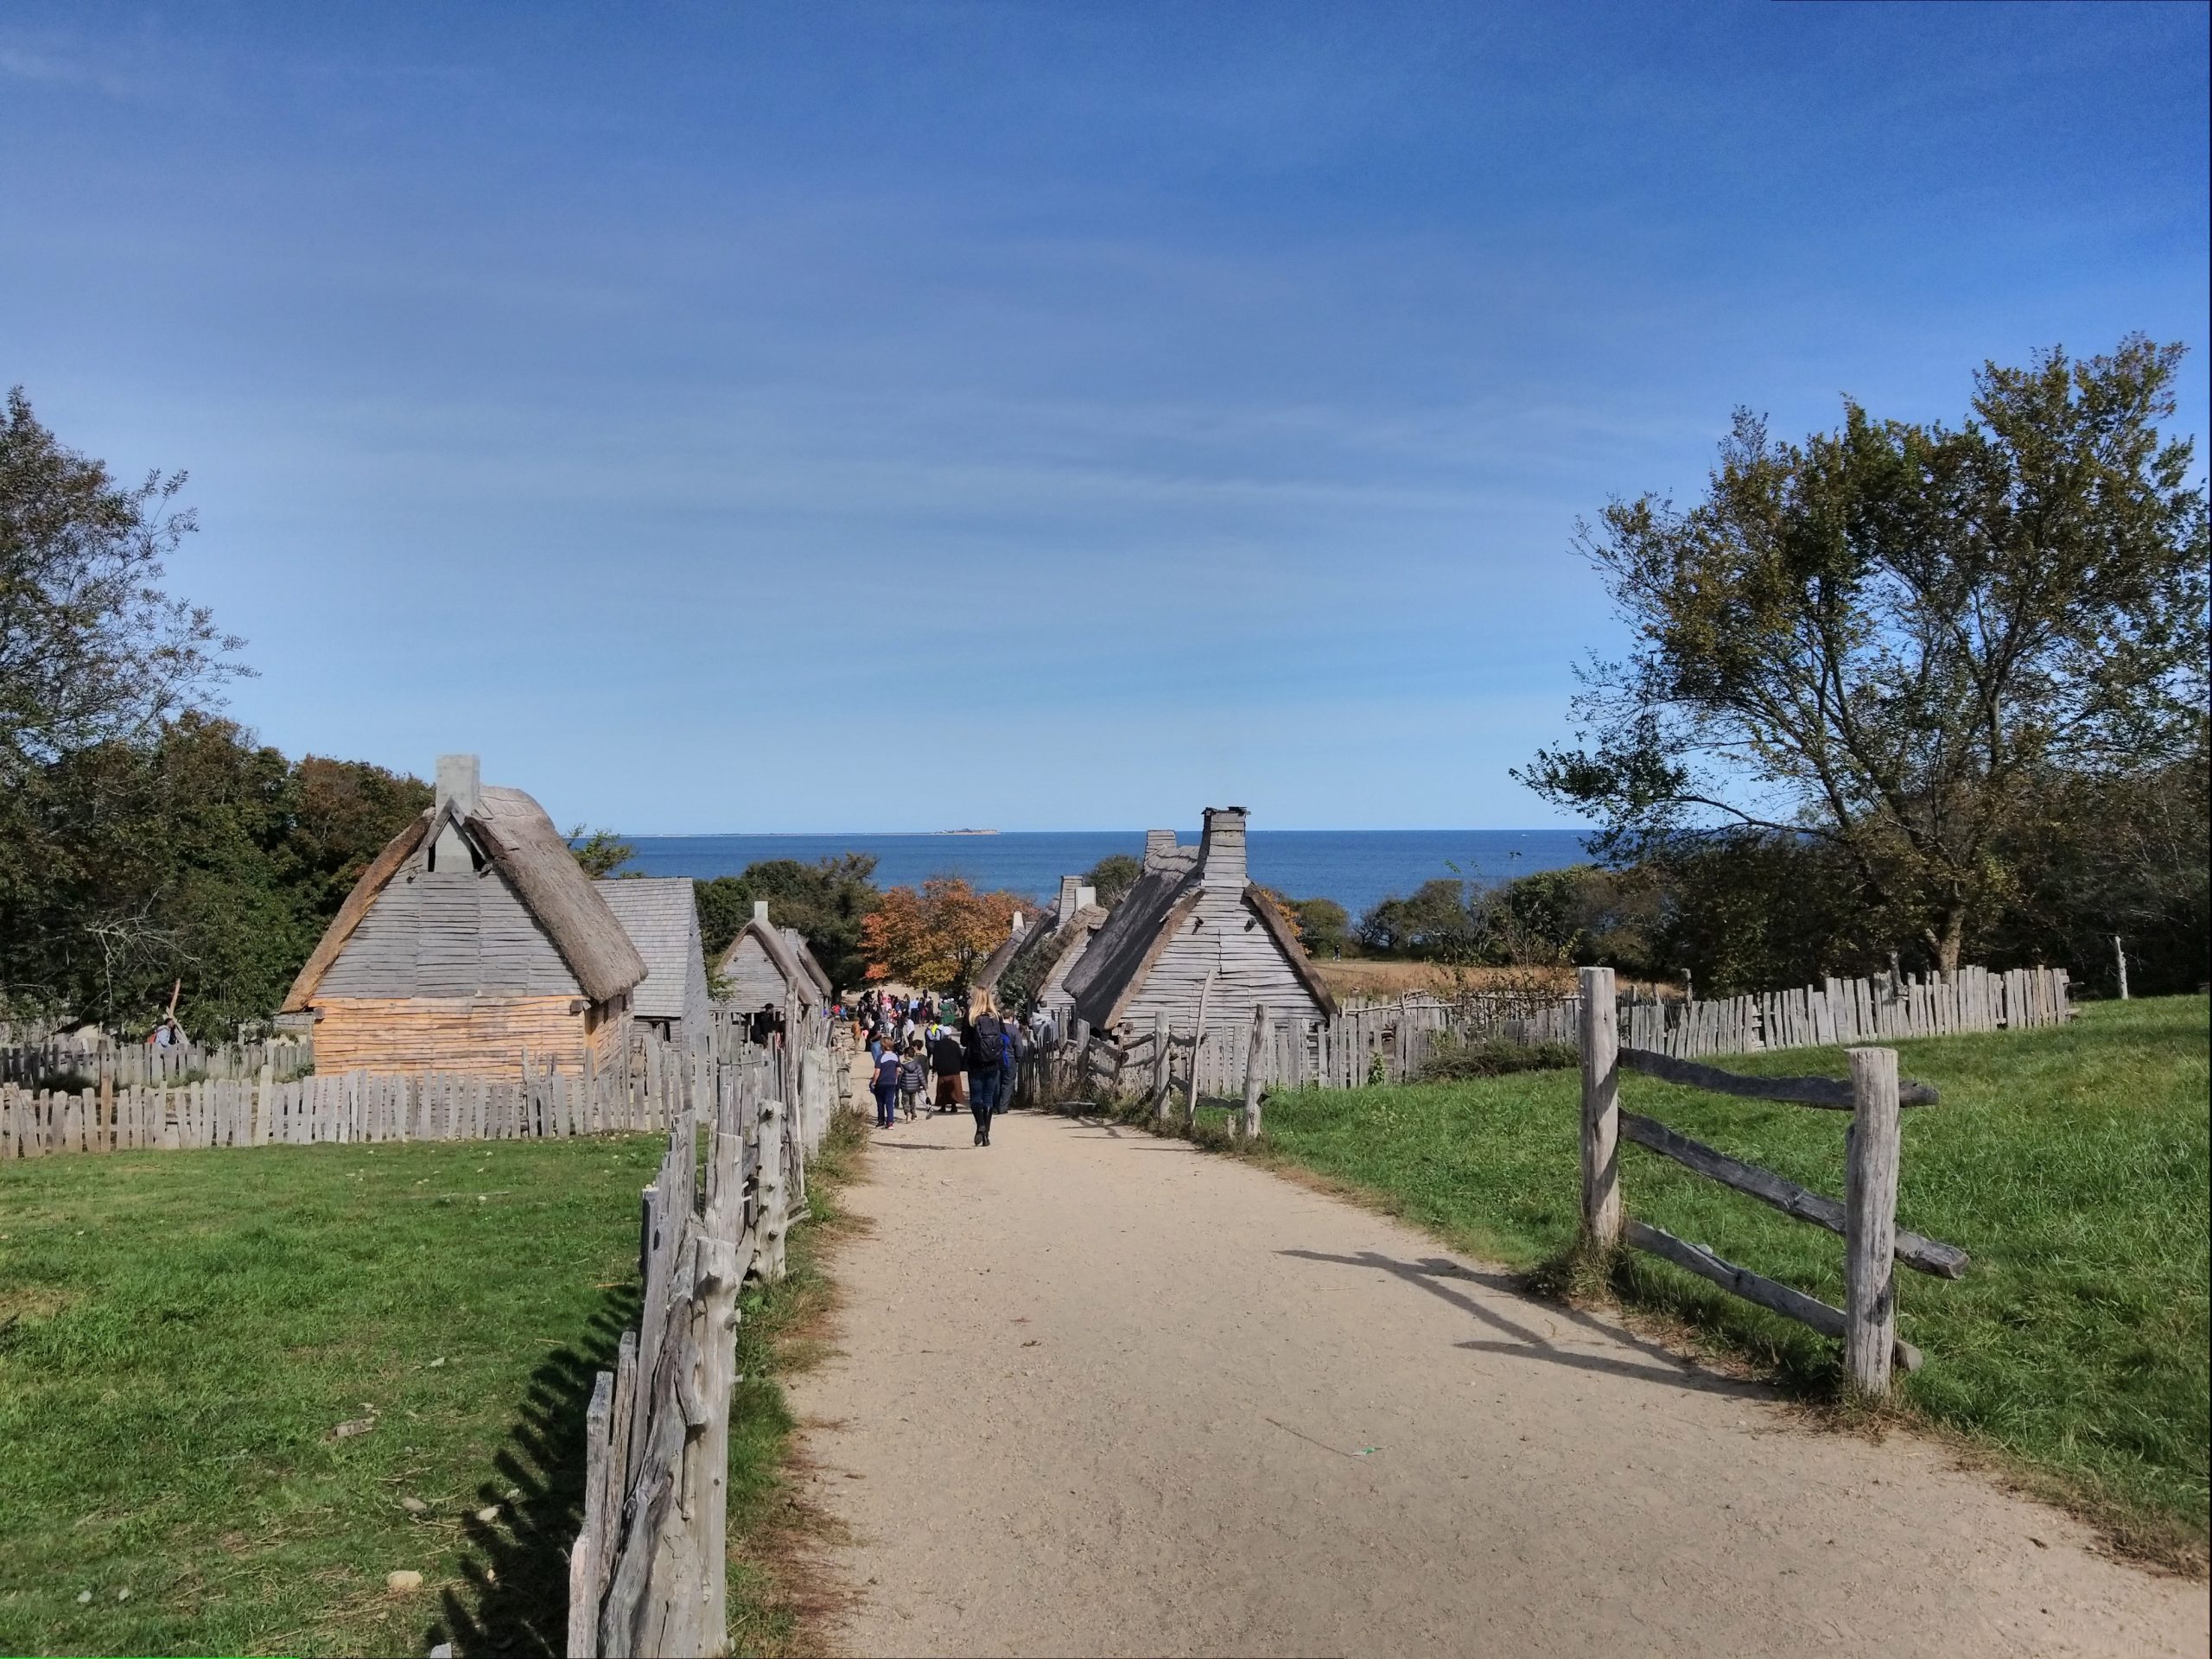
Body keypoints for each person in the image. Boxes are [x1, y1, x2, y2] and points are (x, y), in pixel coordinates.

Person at [963, 988, 1007, 1147]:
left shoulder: (971, 1016)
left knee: (976, 1097)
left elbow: (963, 1040)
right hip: (993, 1062)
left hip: (975, 1062)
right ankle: (986, 1134)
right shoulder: (996, 1016)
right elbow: (1003, 1036)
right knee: (988, 1097)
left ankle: (980, 1125)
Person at [930, 1024, 967, 1114]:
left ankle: (943, 1106)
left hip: (943, 1071)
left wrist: (934, 1069)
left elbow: (936, 1058)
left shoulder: (938, 1045)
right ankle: (954, 1106)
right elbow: (960, 1056)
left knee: (943, 1090)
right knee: (954, 1089)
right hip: (954, 1070)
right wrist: (960, 1067)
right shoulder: (955, 1044)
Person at [870, 1041, 901, 1129]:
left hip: (881, 1082)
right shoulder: (896, 1056)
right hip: (891, 1083)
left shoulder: (881, 1057)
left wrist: (874, 1082)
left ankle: (881, 1121)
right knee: (890, 1103)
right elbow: (898, 1069)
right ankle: (890, 1122)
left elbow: (877, 1072)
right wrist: (895, 1078)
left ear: (883, 1047)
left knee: (880, 1102)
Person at [898, 1040, 928, 1122]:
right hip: (915, 1086)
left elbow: (900, 1076)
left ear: (906, 1055)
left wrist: (898, 1085)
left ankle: (908, 1113)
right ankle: (914, 1115)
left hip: (905, 1086)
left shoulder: (903, 1065)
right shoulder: (917, 1065)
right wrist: (925, 1086)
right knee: (913, 1102)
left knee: (905, 1101)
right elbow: (921, 1076)